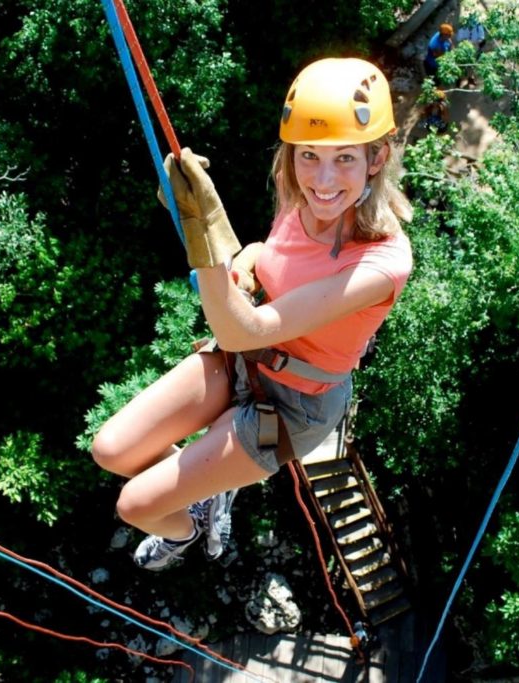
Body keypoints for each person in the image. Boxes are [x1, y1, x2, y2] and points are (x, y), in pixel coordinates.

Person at [91, 57, 414, 571]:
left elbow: (246, 328)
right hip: (250, 361)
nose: (323, 179)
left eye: (345, 159)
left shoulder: (383, 263)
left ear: (377, 157)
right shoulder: (303, 200)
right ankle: (210, 489)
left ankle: (189, 527)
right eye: (308, 156)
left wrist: (208, 237)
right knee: (109, 450)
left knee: (135, 506)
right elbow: (269, 253)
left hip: (293, 404)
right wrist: (238, 262)